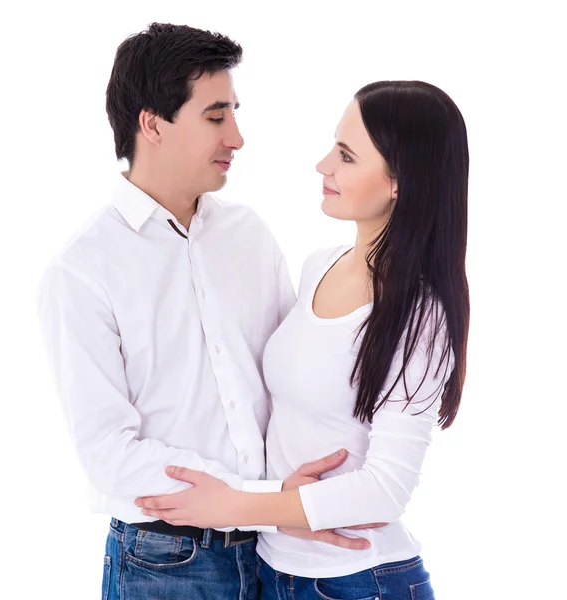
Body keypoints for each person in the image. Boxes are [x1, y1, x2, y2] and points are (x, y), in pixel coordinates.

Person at [36, 22, 375, 600]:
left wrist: (286, 502)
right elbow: (108, 454)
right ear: (152, 124)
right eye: (216, 116)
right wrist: (253, 497)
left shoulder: (249, 235)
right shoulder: (82, 270)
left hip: (280, 547)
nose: (237, 137)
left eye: (234, 113)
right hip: (166, 561)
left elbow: (290, 385)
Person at [135, 80, 470, 599]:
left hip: (362, 581)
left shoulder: (418, 313)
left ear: (401, 180)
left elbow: (386, 490)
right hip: (273, 570)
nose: (323, 166)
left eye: (346, 155)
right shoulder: (319, 266)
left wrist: (236, 506)